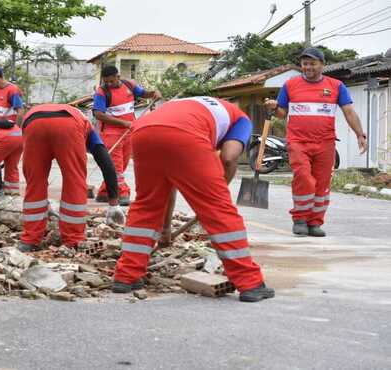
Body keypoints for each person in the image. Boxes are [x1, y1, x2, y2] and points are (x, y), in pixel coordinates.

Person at [112, 96, 274, 303]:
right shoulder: (241, 119)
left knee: (146, 204)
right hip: (184, 135)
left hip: (142, 132)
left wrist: (166, 229)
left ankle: (126, 276)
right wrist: (216, 196)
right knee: (220, 211)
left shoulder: (190, 105)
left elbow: (166, 188)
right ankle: (250, 283)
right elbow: (229, 157)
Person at [265, 47, 367, 237]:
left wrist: (360, 134)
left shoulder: (336, 86)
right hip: (298, 141)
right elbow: (282, 113)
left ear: (322, 65)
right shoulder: (290, 85)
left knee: (322, 183)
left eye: (312, 63)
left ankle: (315, 222)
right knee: (303, 177)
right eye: (304, 64)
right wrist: (273, 108)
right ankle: (300, 219)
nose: (308, 67)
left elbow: (349, 112)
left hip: (325, 142)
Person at [17, 104, 125, 252]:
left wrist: (43, 205)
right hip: (69, 124)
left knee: (35, 181)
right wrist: (114, 203)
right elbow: (106, 161)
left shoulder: (80, 119)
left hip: (32, 122)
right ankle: (73, 240)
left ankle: (29, 240)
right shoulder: (87, 126)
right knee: (74, 180)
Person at [92, 65, 162, 206]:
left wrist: (154, 93)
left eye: (111, 81)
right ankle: (121, 193)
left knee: (122, 165)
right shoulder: (101, 92)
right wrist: (124, 123)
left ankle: (105, 191)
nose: (109, 84)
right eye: (106, 82)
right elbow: (98, 114)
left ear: (118, 77)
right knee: (116, 166)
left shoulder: (129, 85)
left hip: (129, 131)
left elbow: (143, 93)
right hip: (111, 133)